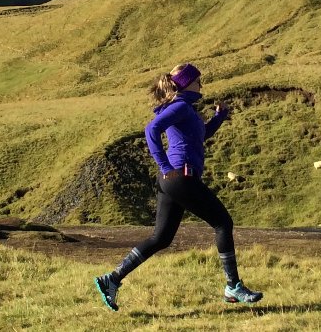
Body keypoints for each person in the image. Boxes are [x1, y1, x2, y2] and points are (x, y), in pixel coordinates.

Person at [93, 63, 263, 311]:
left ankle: (111, 279)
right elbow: (151, 129)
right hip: (180, 177)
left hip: (173, 180)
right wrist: (163, 165)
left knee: (160, 238)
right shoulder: (181, 106)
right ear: (186, 83)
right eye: (198, 80)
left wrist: (219, 118)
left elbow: (200, 135)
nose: (201, 84)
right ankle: (233, 286)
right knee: (223, 223)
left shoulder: (185, 110)